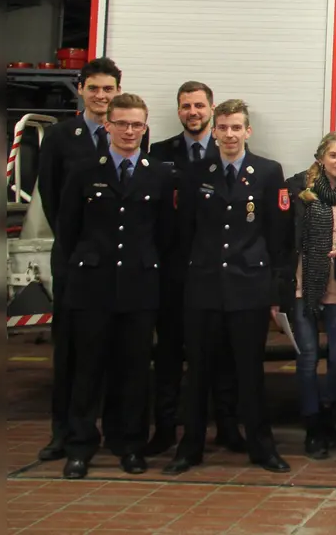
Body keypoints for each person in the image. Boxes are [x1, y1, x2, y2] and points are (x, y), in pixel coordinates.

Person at [51, 93, 174, 479]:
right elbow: (67, 232)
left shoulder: (159, 173)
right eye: (121, 123)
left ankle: (129, 444)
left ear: (146, 127)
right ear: (108, 126)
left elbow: (166, 238)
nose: (129, 131)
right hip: (92, 287)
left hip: (139, 288)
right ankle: (80, 445)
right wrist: (68, 283)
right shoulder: (86, 169)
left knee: (134, 371)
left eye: (137, 124)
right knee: (87, 370)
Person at [165, 99, 290, 475]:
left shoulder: (268, 172)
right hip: (203, 286)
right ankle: (190, 449)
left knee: (249, 372)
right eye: (223, 127)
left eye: (237, 127)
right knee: (198, 371)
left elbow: (278, 237)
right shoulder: (194, 172)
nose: (230, 134)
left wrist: (273, 294)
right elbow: (182, 231)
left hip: (248, 287)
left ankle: (261, 447)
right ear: (214, 131)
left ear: (247, 132)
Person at [143, 81, 241, 458]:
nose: (192, 112)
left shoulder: (229, 154)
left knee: (220, 356)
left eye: (199, 105)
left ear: (212, 109)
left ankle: (227, 428)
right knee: (168, 355)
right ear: (178, 110)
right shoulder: (158, 154)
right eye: (185, 106)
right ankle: (166, 429)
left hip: (216, 274)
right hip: (172, 274)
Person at [34, 57, 122, 463]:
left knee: (109, 350)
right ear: (81, 89)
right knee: (69, 350)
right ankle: (63, 433)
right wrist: (76, 250)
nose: (101, 96)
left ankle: (107, 428)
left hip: (116, 265)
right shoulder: (59, 136)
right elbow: (52, 200)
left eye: (108, 89)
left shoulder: (127, 133)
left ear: (117, 91)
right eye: (94, 88)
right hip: (74, 260)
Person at [286, 132, 336, 460]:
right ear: (321, 158)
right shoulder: (297, 190)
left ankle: (327, 407)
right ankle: (313, 423)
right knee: (306, 358)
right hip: (304, 283)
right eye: (334, 155)